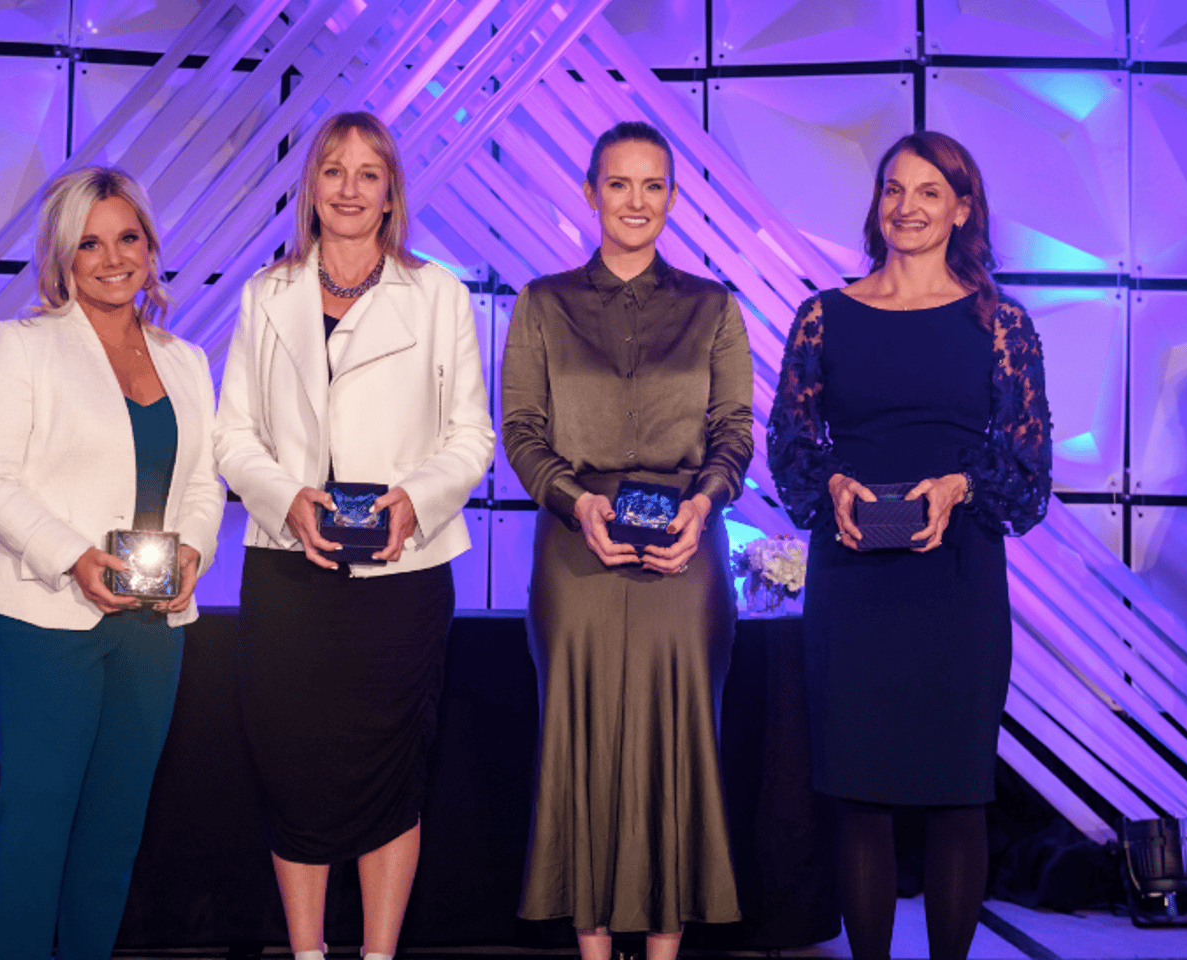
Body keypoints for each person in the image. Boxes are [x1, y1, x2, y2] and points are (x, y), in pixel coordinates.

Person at [213, 110, 493, 960]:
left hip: (401, 575)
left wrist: (416, 497)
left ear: (390, 194)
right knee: (292, 770)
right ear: (311, 187)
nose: (348, 187)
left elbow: (471, 435)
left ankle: (376, 957)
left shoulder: (438, 292)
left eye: (367, 173)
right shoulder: (266, 294)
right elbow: (232, 437)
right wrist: (284, 497)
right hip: (289, 572)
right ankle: (307, 955)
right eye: (332, 170)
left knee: (390, 774)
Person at [767, 131, 1052, 960]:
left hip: (957, 583)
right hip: (854, 579)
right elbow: (789, 440)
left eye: (930, 191)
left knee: (959, 796)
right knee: (861, 797)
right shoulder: (823, 315)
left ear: (963, 209)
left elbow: (1028, 469)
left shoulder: (1001, 323)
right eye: (894, 189)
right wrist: (831, 486)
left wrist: (960, 485)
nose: (908, 207)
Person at [501, 120, 751, 959]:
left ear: (674, 198)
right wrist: (577, 505)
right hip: (576, 550)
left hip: (686, 547)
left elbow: (733, 432)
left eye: (653, 186)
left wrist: (705, 506)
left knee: (679, 747)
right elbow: (523, 433)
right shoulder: (543, 303)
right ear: (589, 194)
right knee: (579, 747)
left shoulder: (714, 306)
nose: (636, 201)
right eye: (619, 184)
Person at [0, 166, 225, 959]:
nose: (113, 258)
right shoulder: (24, 345)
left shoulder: (186, 360)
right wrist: (73, 558)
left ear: (149, 246)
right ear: (63, 257)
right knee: (38, 824)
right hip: (48, 621)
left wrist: (193, 550)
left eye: (128, 238)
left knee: (115, 831)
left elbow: (205, 482)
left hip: (154, 626)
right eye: (90, 243)